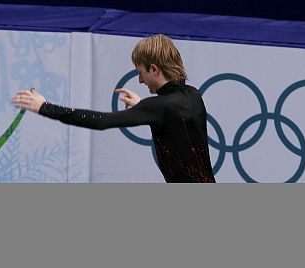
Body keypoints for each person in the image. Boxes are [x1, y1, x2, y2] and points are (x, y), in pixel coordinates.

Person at [12, 34, 215, 183]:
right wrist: (141, 106)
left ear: (154, 69)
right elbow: (175, 118)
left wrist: (45, 107)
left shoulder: (159, 107)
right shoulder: (193, 95)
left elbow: (102, 122)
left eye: (141, 72)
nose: (140, 80)